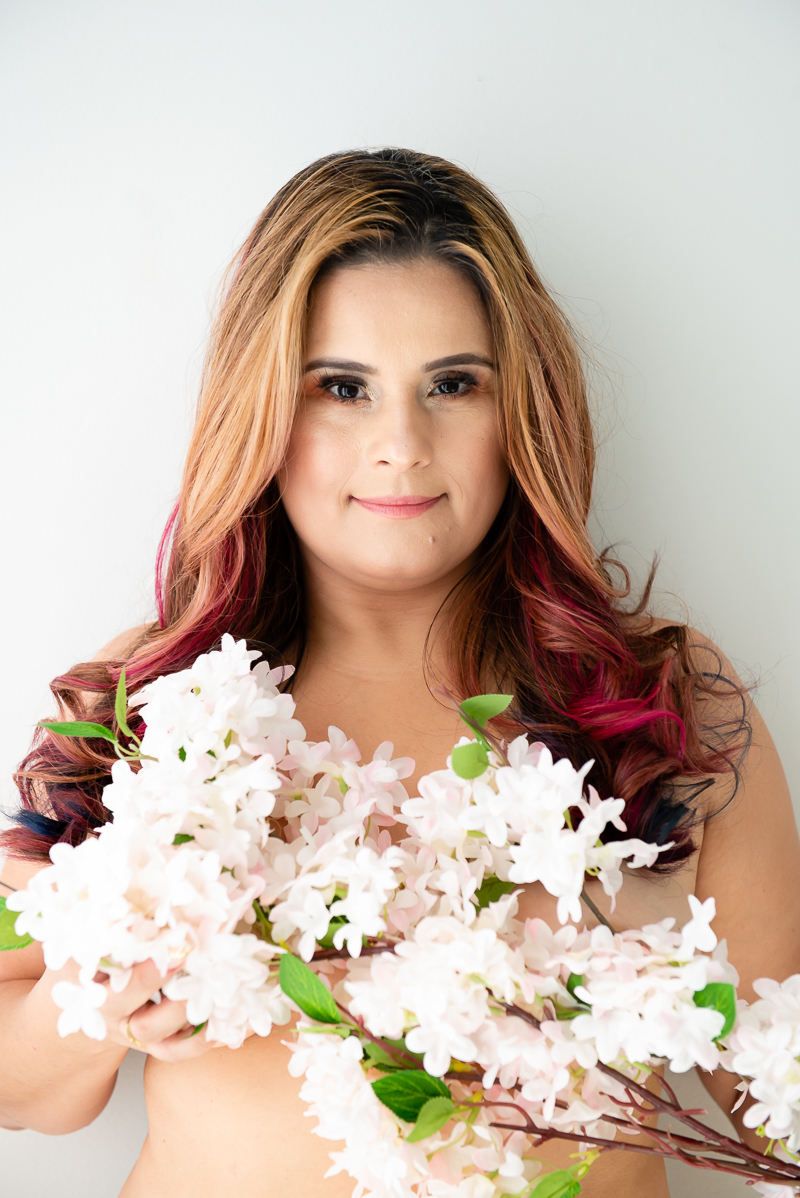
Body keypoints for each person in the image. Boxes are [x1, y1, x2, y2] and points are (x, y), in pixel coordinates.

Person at [1, 147, 797, 1198]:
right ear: (265, 412)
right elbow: (24, 1090)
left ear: (520, 412)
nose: (400, 445)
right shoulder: (142, 706)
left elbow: (771, 1094)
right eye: (340, 387)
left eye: (452, 385)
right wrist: (105, 1000)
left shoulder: (659, 707)